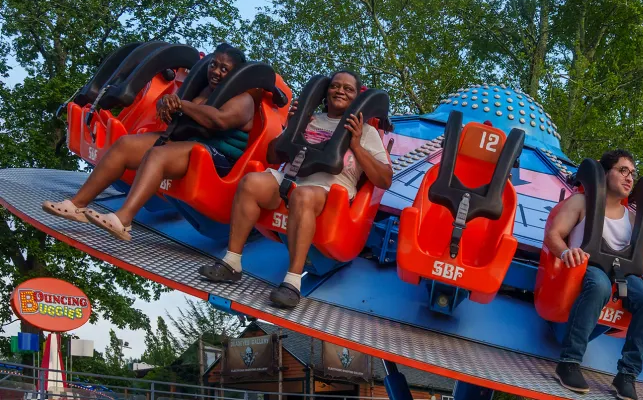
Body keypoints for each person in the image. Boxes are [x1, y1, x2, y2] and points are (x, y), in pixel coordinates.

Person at [199, 70, 392, 308]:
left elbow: (384, 179)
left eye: (348, 89)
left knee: (302, 196)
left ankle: (291, 284)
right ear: (326, 91)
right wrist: (292, 128)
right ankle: (232, 263)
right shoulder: (310, 119)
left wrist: (356, 144)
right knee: (251, 183)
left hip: (331, 191)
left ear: (356, 97)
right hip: (292, 179)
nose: (340, 91)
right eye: (335, 86)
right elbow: (272, 155)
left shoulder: (366, 132)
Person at [42, 43, 255, 241]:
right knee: (126, 144)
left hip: (220, 161)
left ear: (235, 74)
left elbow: (216, 120)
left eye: (224, 69)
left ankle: (123, 220)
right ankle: (77, 205)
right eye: (213, 64)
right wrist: (167, 105)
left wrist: (181, 104)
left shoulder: (243, 100)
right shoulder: (205, 89)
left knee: (156, 155)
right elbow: (186, 112)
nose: (216, 72)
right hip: (188, 145)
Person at [544, 149, 643, 400]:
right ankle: (569, 363)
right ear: (605, 174)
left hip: (624, 276)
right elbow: (553, 235)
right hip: (587, 268)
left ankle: (626, 375)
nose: (629, 178)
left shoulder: (634, 218)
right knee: (600, 284)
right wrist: (567, 252)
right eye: (623, 170)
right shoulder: (581, 202)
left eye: (633, 174)